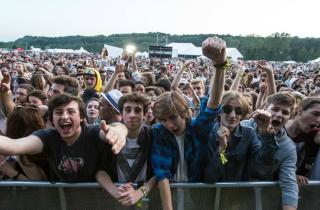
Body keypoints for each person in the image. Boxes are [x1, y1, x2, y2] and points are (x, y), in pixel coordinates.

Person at [151, 36, 226, 210]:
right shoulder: (158, 132)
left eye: (173, 118)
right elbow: (161, 173)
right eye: (163, 120)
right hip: (170, 195)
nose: (169, 125)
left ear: (185, 112)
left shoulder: (197, 128)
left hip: (198, 195)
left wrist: (220, 64)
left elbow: (213, 104)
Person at [0, 93, 127, 182]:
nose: (64, 116)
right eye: (58, 112)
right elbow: (14, 145)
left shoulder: (92, 132)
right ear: (52, 119)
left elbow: (115, 128)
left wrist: (119, 130)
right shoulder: (47, 137)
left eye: (71, 112)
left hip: (94, 200)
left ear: (82, 117)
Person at [241, 92, 298, 210]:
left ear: (290, 118)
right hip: (229, 192)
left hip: (259, 198)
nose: (279, 115)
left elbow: (289, 183)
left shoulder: (288, 147)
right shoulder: (242, 128)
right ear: (264, 110)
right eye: (275, 109)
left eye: (285, 112)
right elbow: (222, 157)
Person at [97, 92, 155, 206]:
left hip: (148, 199)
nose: (132, 115)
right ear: (121, 113)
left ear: (144, 114)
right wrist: (117, 193)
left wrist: (141, 192)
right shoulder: (111, 134)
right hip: (117, 200)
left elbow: (160, 172)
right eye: (128, 110)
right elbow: (100, 170)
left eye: (137, 110)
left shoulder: (153, 135)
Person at [285, 97, 320, 186]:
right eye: (315, 114)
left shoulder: (314, 135)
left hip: (304, 192)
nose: (318, 120)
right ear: (300, 111)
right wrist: (291, 176)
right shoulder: (277, 131)